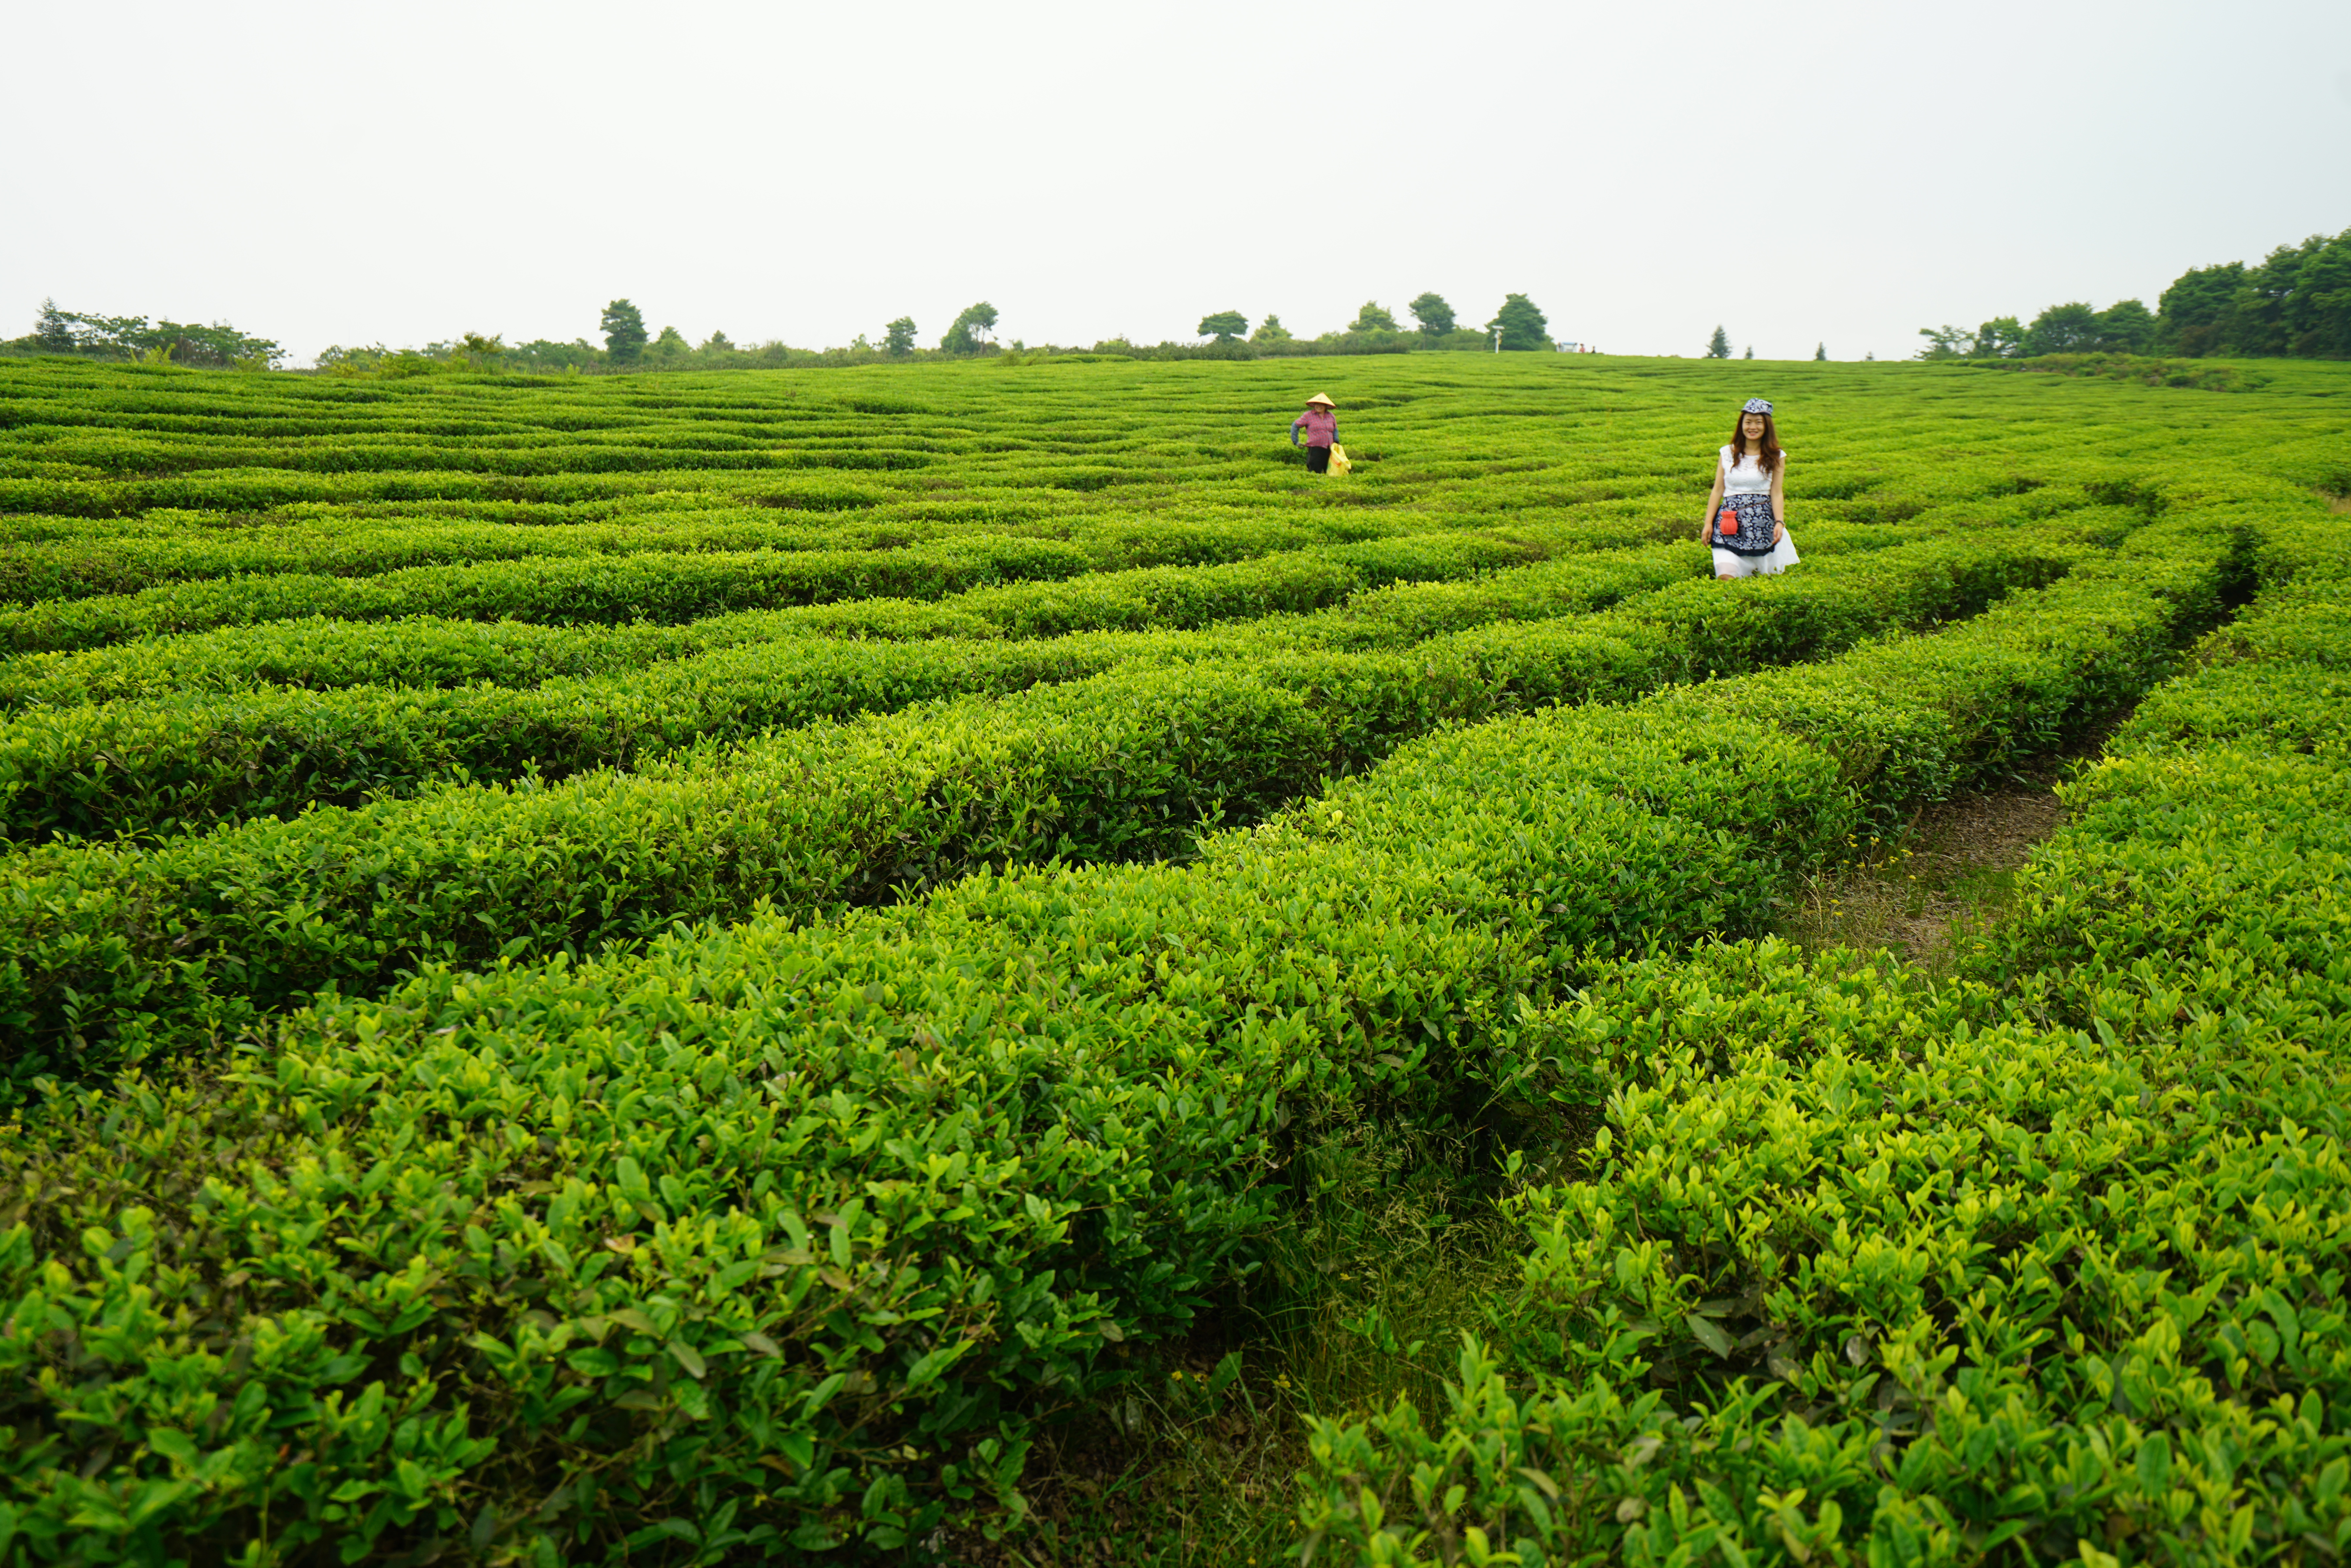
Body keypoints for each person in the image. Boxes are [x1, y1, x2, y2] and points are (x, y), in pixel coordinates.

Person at [1700, 397, 1799, 579]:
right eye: (1748, 422)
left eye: (1758, 423)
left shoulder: (1777, 456)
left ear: (1766, 426)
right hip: (1729, 522)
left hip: (1762, 523)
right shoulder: (1727, 453)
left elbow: (1776, 493)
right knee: (1726, 574)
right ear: (1742, 425)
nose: (1753, 427)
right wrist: (1708, 523)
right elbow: (1717, 490)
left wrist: (1780, 522)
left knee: (1763, 577)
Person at [1290, 393, 1338, 474]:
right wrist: (1296, 441)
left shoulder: (1331, 416)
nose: (1319, 406)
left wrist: (1337, 441)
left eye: (1322, 404)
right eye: (1317, 404)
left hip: (1330, 449)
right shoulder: (1308, 416)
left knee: (1331, 472)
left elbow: (1335, 430)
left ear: (1326, 406)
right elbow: (1295, 426)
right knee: (1315, 471)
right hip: (1316, 449)